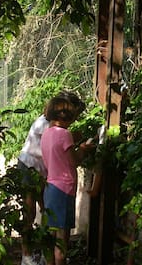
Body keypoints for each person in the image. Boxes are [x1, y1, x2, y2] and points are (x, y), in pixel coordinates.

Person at [18, 91, 85, 265]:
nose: (74, 119)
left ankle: (47, 256)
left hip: (46, 175)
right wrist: (78, 143)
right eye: (73, 114)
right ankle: (28, 256)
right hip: (31, 167)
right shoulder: (48, 125)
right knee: (31, 212)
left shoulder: (54, 126)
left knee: (48, 217)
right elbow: (66, 153)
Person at [40, 95, 94, 265]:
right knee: (62, 242)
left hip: (50, 187)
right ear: (66, 117)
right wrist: (84, 148)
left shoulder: (46, 133)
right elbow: (74, 160)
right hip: (64, 189)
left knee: (52, 237)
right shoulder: (64, 134)